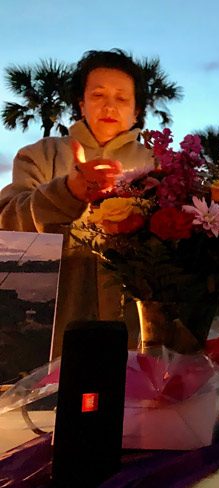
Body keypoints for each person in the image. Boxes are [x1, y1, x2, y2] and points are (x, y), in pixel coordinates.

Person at [0, 49, 152, 354]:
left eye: (122, 98)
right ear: (81, 103)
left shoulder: (157, 169)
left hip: (135, 336)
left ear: (136, 111)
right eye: (98, 95)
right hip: (55, 332)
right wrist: (67, 192)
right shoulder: (42, 155)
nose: (109, 105)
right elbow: (7, 222)